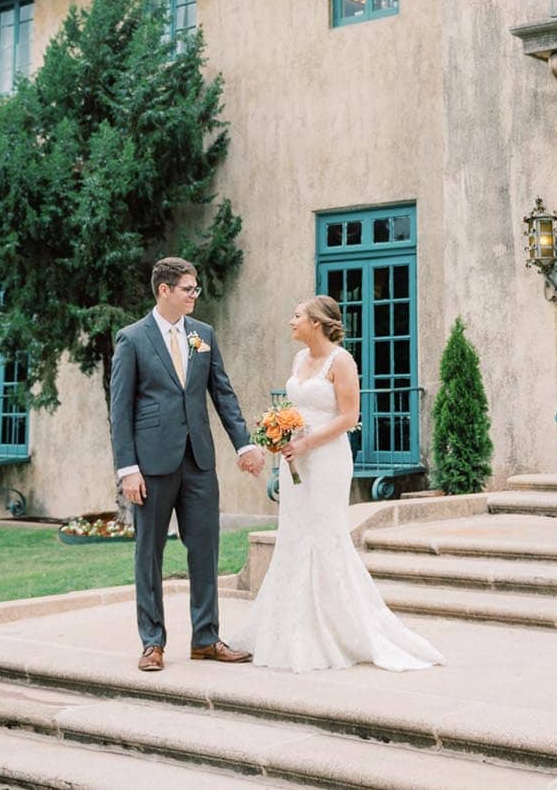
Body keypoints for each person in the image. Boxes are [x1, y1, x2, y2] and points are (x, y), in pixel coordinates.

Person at [225, 295, 444, 672]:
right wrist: (279, 434)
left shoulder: (340, 361)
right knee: (294, 535)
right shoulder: (299, 359)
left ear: (317, 322)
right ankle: (288, 629)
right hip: (295, 459)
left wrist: (307, 442)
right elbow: (296, 409)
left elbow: (349, 417)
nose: (291, 321)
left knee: (324, 535)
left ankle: (339, 631)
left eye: (297, 316)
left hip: (326, 459)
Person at [109, 256, 265, 673]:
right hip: (151, 465)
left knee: (205, 549)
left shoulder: (203, 335)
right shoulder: (132, 339)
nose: (194, 295)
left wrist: (244, 444)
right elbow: (119, 410)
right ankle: (152, 643)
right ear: (164, 290)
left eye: (195, 289)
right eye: (187, 289)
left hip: (199, 461)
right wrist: (127, 468)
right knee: (149, 553)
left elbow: (222, 394)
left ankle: (206, 638)